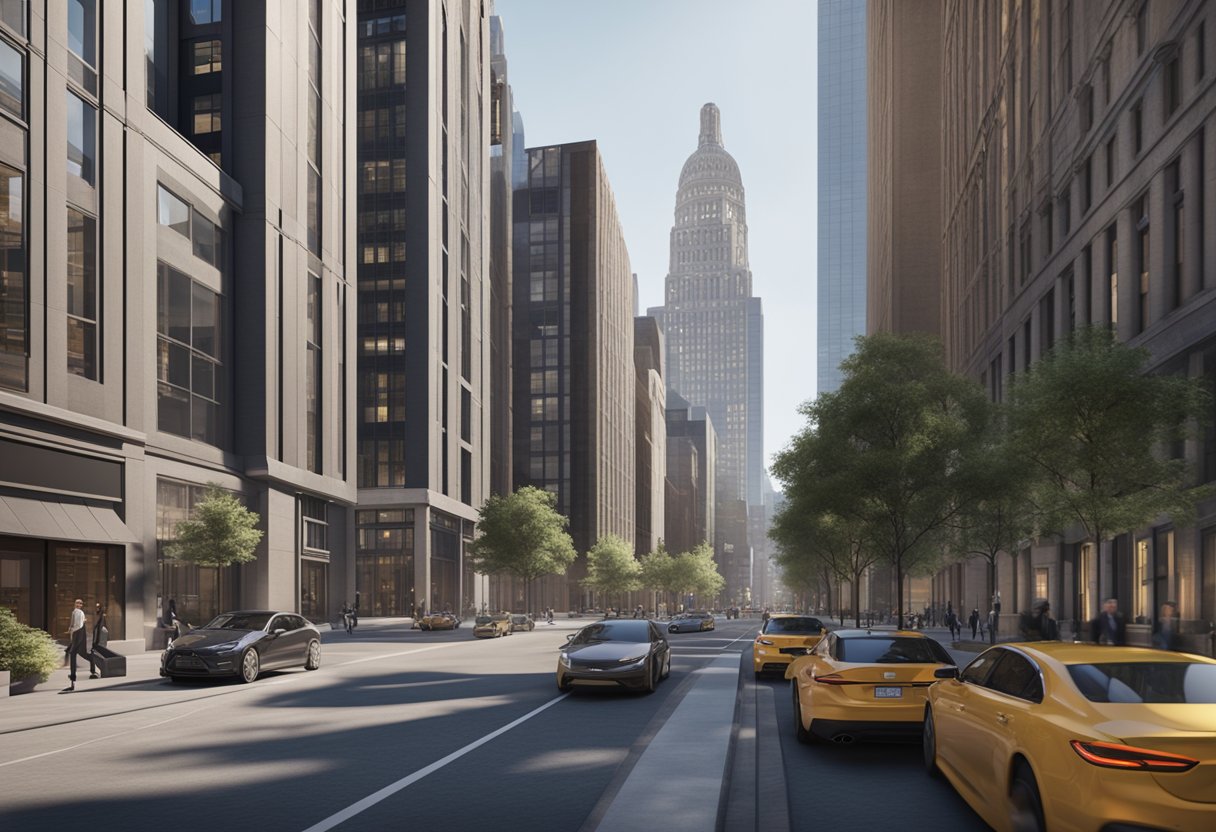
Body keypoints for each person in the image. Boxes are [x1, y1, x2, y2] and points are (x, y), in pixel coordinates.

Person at [63, 599, 97, 691]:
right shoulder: (75, 612)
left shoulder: (78, 612)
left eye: (80, 603)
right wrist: (70, 628)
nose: (78, 604)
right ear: (75, 604)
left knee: (73, 653)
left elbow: (78, 625)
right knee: (82, 653)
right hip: (77, 634)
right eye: (77, 603)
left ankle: (73, 677)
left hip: (78, 634)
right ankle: (92, 667)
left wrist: (72, 630)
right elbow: (74, 623)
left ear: (82, 605)